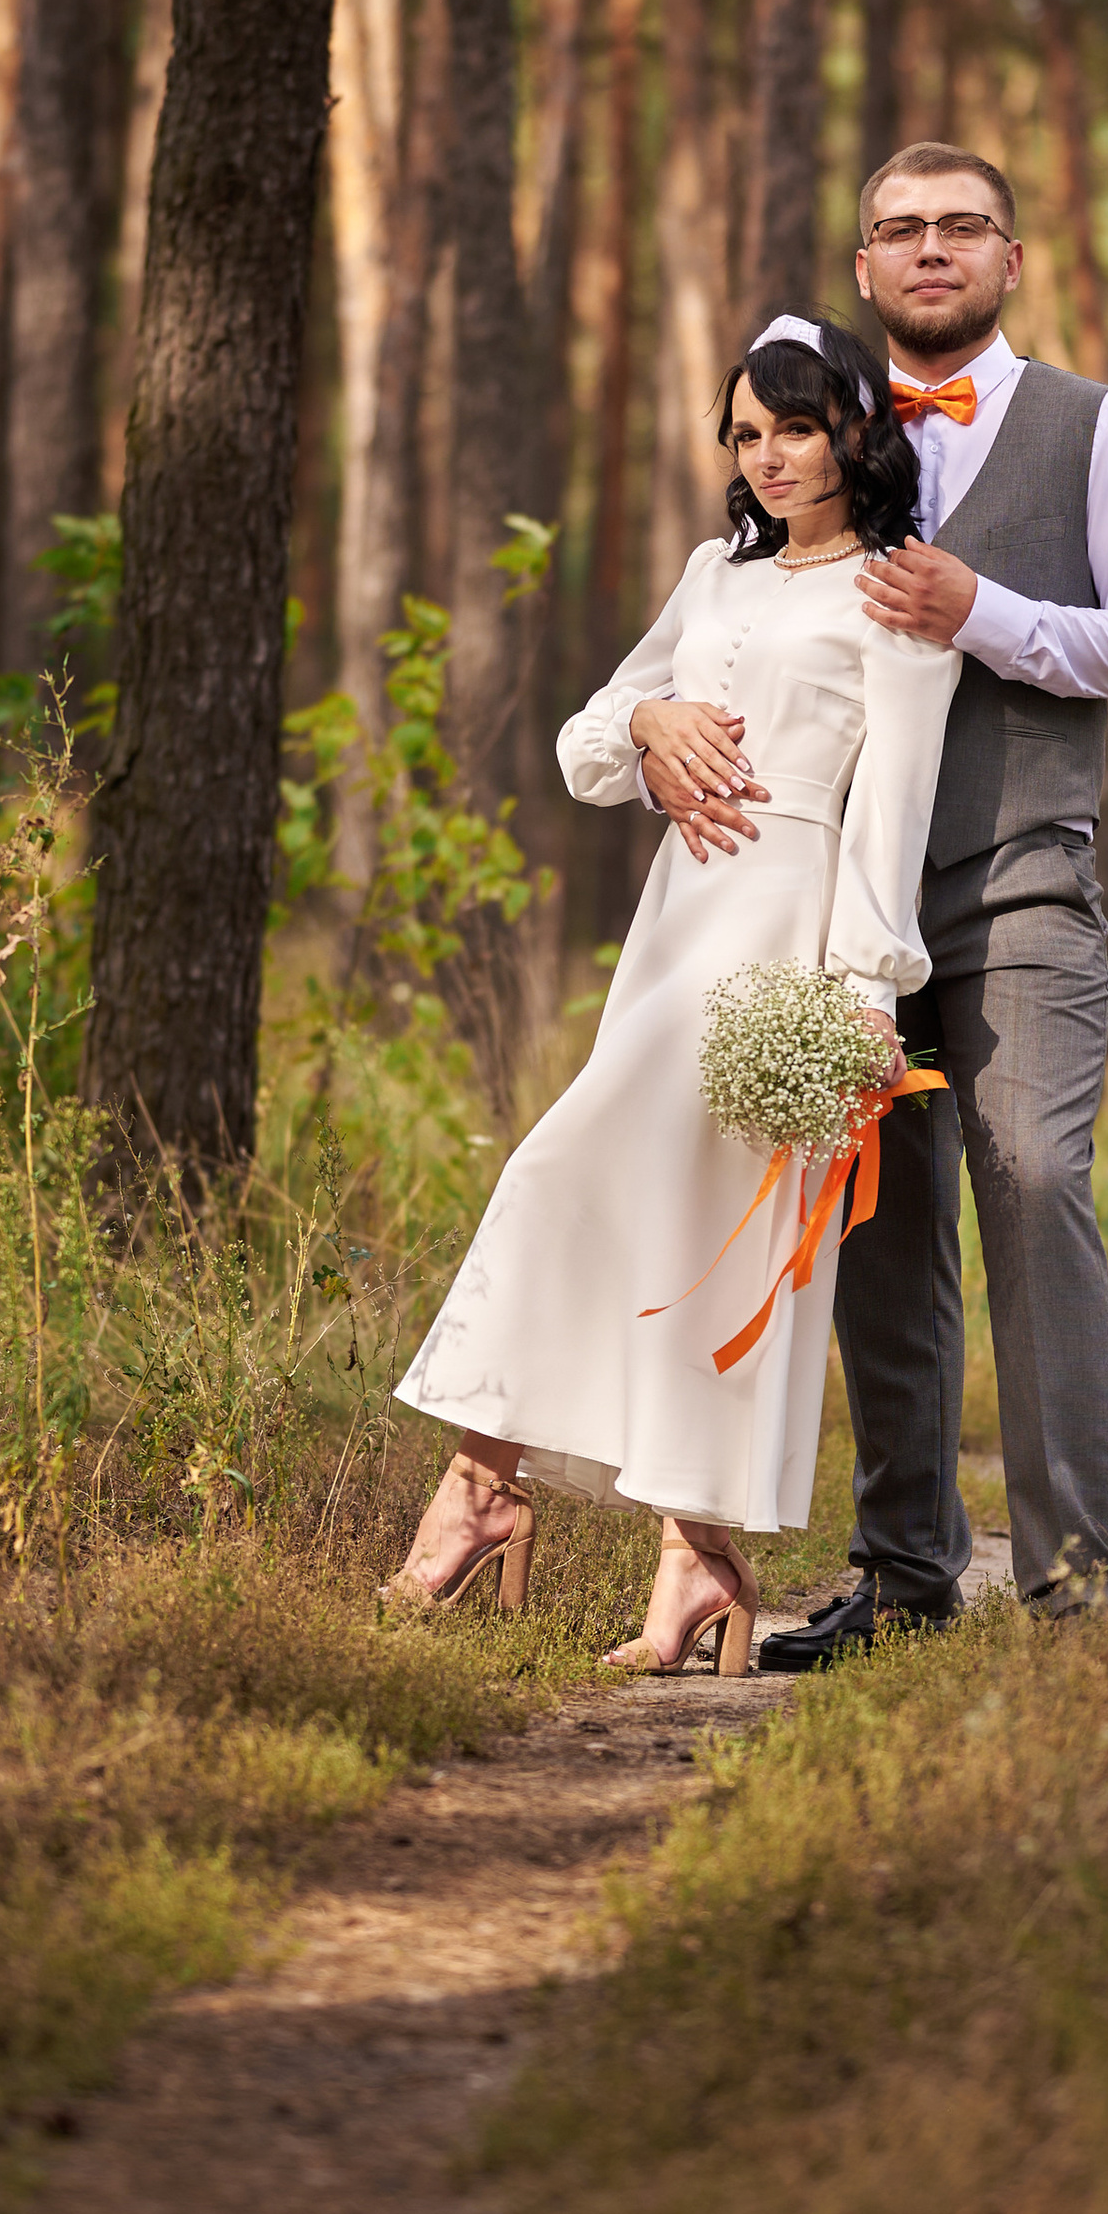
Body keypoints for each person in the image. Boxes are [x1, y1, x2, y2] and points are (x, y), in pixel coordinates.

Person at [640, 144, 1108, 1667]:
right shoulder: (808, 437)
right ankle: (904, 1581)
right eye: (901, 230)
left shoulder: (1100, 429)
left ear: (1010, 260)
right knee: (880, 1233)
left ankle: (1079, 1577)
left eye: (964, 227)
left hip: (1021, 879)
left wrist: (990, 615)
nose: (931, 249)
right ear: (869, 267)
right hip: (834, 917)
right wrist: (650, 732)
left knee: (1031, 1186)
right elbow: (711, 650)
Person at [379, 314, 961, 1677]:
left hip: (787, 947)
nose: (769, 458)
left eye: (797, 428)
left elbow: (893, 817)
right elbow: (589, 745)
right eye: (747, 434)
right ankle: (506, 1490)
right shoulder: (715, 574)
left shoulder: (896, 598)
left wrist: (866, 998)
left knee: (722, 1246)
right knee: (568, 1175)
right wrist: (650, 725)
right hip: (674, 935)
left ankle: (679, 1551)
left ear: (857, 431)